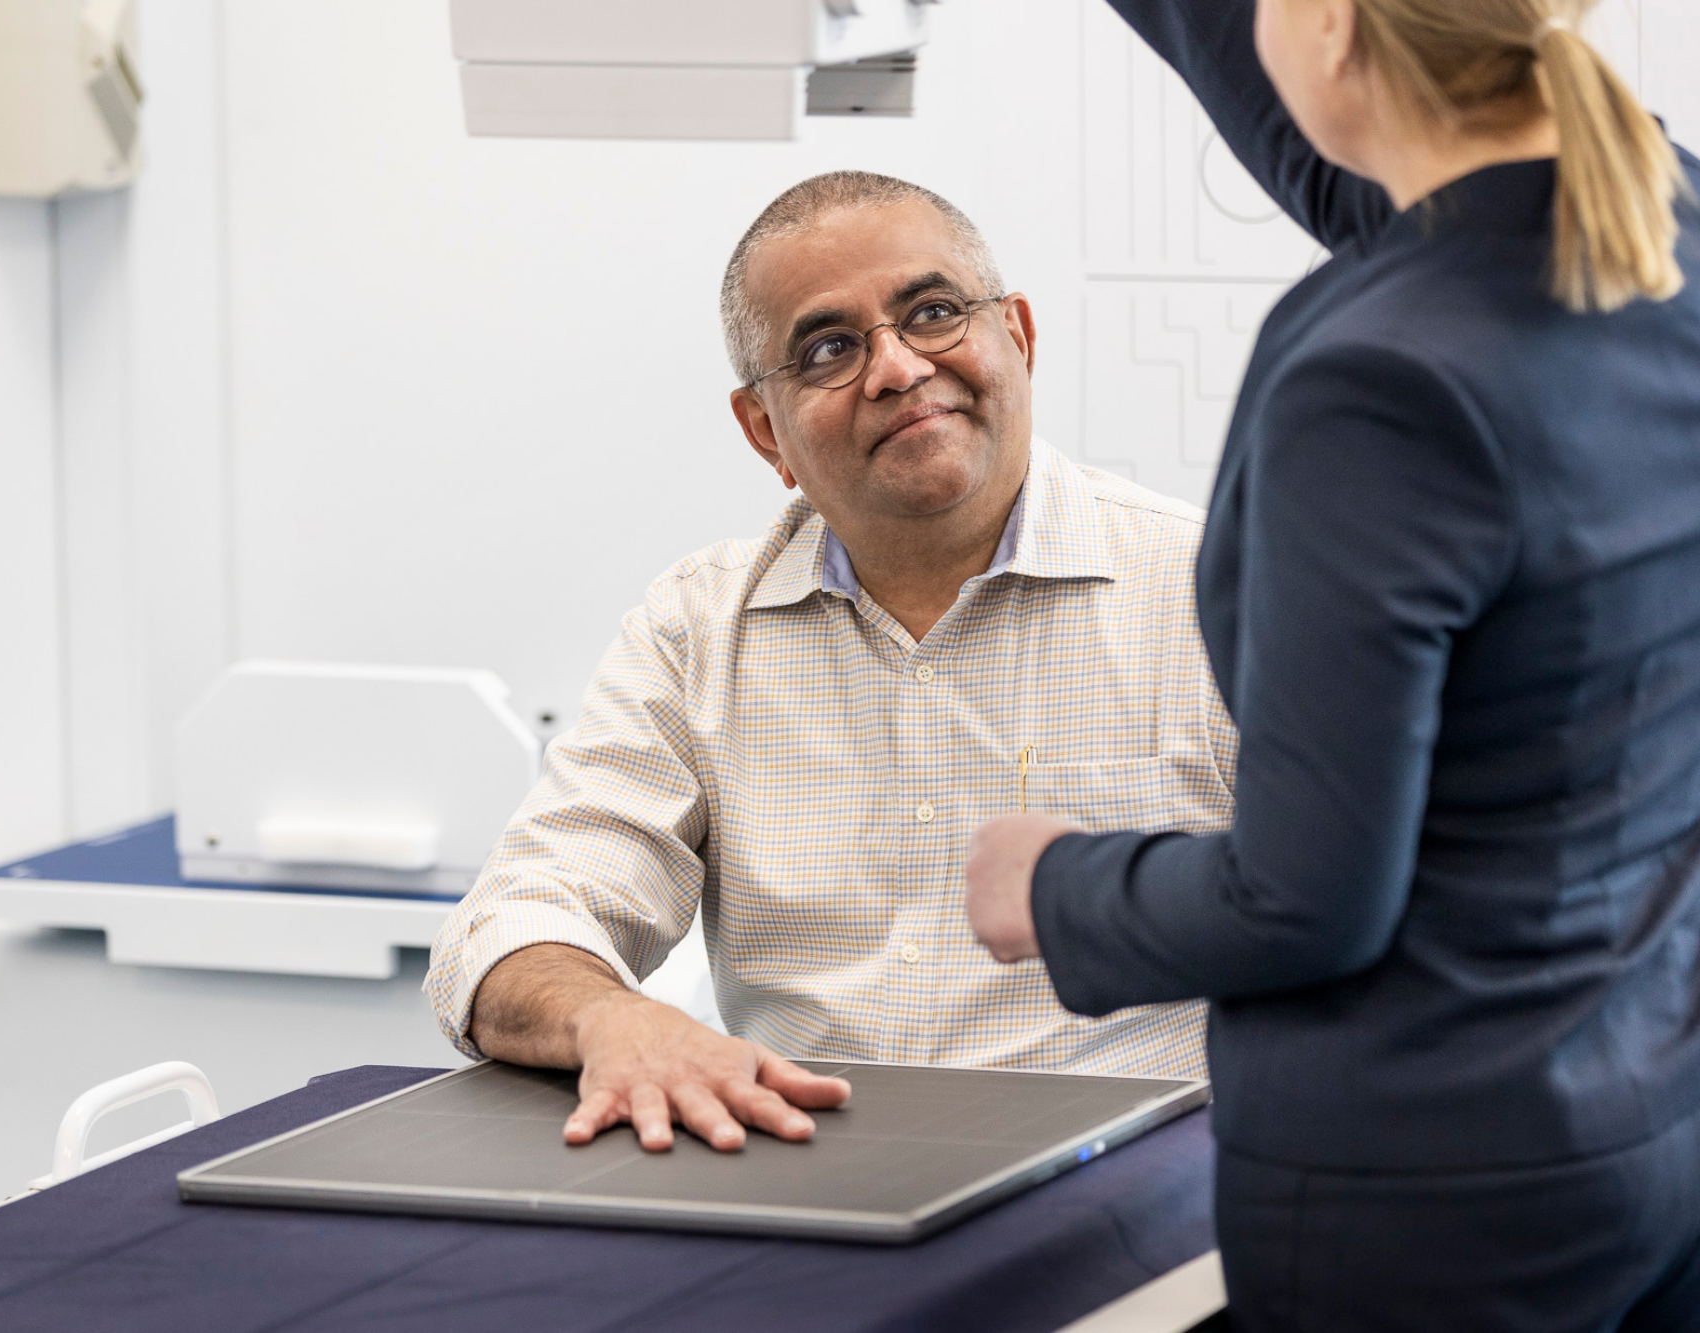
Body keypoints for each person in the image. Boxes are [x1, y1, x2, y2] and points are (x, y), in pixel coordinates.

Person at [965, 2, 1700, 1329]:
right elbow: (1365, 173)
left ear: (1335, 23)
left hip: (1449, 1193)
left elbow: (1306, 901)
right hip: (1675, 1122)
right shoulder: (1686, 220)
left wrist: (1053, 886)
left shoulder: (1377, 379)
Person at [426, 171, 1239, 1155]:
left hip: (1148, 1195)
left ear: (1016, 337)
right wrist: (612, 1018)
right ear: (765, 429)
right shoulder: (697, 632)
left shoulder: (1222, 593)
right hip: (808, 1191)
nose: (895, 369)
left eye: (932, 313)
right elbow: (517, 918)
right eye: (828, 348)